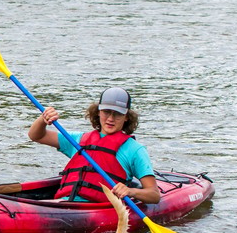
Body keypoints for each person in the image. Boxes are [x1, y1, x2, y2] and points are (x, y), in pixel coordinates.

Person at [27, 87, 160, 204]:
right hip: (65, 203)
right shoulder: (77, 139)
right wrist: (43, 119)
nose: (110, 119)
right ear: (98, 112)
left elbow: (154, 195)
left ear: (126, 117)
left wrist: (131, 191)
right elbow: (37, 136)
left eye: (117, 114)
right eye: (106, 112)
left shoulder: (135, 150)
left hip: (98, 208)